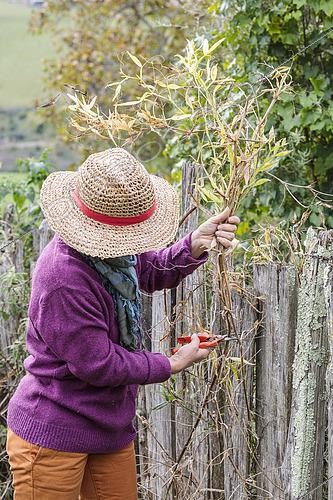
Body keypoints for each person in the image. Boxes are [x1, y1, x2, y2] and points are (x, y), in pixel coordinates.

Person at [6, 148, 240, 500]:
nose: (130, 245)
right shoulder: (63, 278)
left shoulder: (111, 254)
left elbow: (143, 268)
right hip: (53, 434)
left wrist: (193, 246)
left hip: (108, 426)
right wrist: (171, 363)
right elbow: (98, 363)